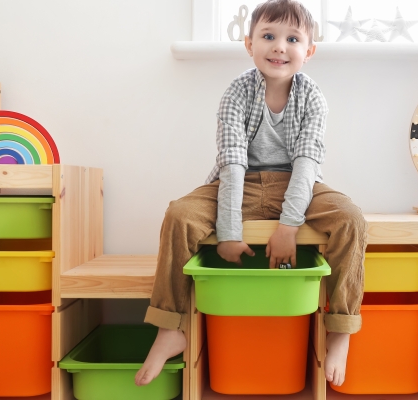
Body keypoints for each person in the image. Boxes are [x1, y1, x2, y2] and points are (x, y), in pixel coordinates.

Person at [135, 0, 367, 388]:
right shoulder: (237, 93)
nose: (279, 46)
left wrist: (289, 226)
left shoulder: (313, 98)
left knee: (351, 218)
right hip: (236, 185)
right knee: (179, 214)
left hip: (297, 185)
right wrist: (228, 231)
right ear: (249, 44)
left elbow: (307, 165)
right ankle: (170, 327)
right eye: (269, 36)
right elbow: (232, 164)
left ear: (308, 51)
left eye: (292, 39)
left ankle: (340, 327)